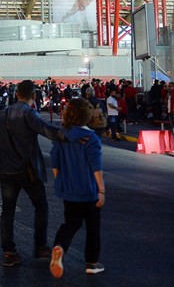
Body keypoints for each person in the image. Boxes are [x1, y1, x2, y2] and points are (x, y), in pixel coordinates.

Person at [0, 79, 65, 267]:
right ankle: (40, 246)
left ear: (16, 94)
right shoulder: (29, 113)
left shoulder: (2, 114)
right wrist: (71, 134)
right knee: (41, 206)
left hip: (6, 170)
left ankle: (9, 251)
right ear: (33, 96)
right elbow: (47, 131)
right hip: (27, 170)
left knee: (7, 211)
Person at [49, 98, 105, 278]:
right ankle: (91, 263)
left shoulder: (62, 136)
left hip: (69, 190)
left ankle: (60, 246)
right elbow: (96, 166)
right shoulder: (91, 138)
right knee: (93, 227)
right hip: (89, 191)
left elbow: (55, 163)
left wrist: (62, 181)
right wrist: (101, 190)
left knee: (71, 223)